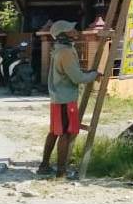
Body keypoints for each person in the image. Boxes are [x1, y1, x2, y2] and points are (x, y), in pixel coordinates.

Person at [37, 20, 98, 179]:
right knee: (65, 133)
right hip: (65, 99)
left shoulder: (59, 49)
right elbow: (77, 78)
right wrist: (93, 75)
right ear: (63, 34)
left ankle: (44, 166)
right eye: (71, 29)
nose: (75, 31)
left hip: (58, 98)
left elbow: (71, 72)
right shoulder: (66, 52)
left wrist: (86, 73)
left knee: (54, 132)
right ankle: (61, 171)